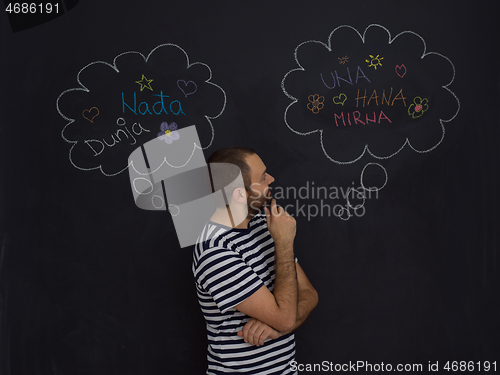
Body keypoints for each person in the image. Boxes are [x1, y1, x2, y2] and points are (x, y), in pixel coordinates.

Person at [192, 146, 318, 374]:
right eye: (263, 177)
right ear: (239, 194)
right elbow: (286, 319)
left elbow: (309, 294)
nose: (271, 179)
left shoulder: (263, 224)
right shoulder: (215, 252)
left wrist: (277, 327)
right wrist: (284, 243)